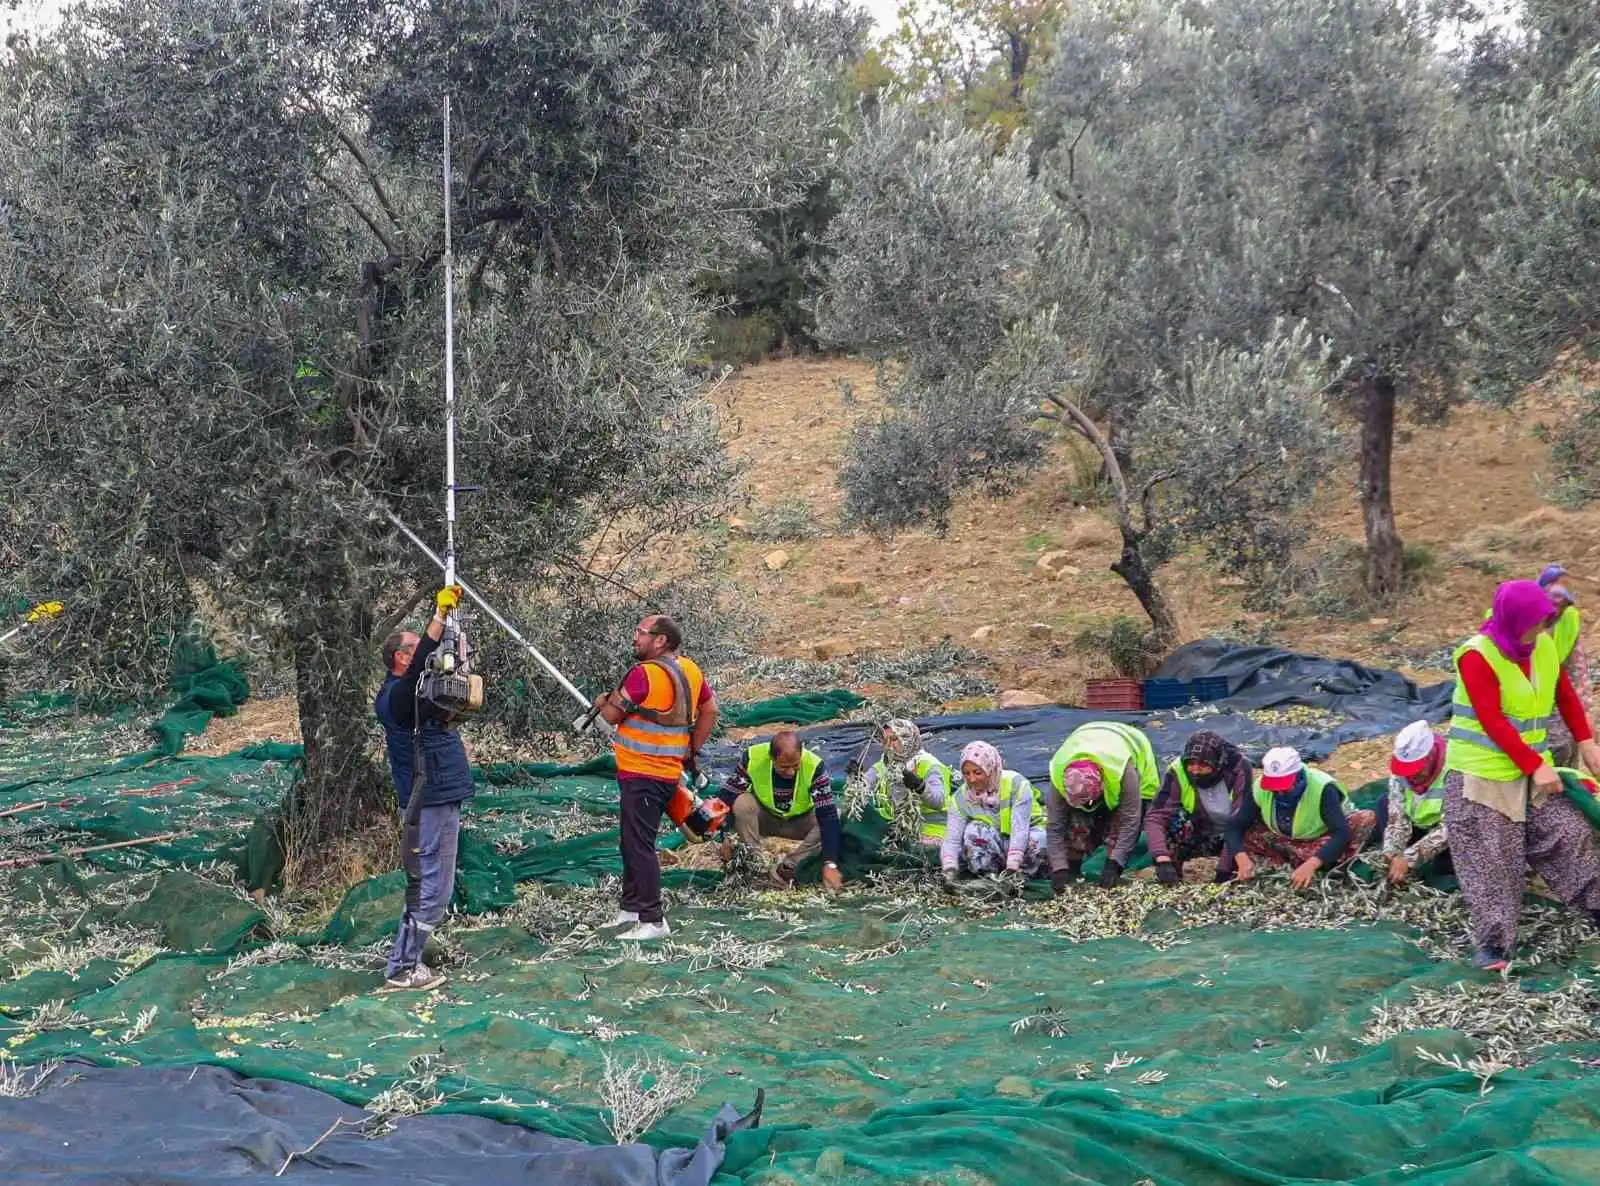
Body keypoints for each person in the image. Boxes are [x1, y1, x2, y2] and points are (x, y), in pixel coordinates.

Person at [1444, 579, 1600, 971]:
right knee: (1495, 860)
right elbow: (1492, 720)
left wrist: (1586, 742)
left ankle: (1596, 905)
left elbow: (1564, 693)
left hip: (1531, 770)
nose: (1540, 632)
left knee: (1569, 832)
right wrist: (1536, 765)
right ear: (1513, 621)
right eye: (1535, 625)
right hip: (1482, 777)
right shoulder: (1477, 655)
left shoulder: (1542, 645)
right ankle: (1494, 946)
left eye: (1544, 624)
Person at [374, 585, 474, 992]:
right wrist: (437, 616)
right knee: (434, 886)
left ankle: (407, 957)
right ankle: (402, 966)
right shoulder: (397, 694)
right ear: (401, 657)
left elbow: (442, 679)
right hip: (429, 796)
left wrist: (455, 635)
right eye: (415, 648)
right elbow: (420, 669)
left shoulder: (411, 697)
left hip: (435, 793)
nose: (422, 653)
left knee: (427, 882)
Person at [594, 614, 718, 940]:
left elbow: (609, 717)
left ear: (660, 640)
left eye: (641, 632)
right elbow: (710, 710)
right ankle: (631, 908)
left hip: (642, 772)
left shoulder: (644, 674)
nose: (636, 637)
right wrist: (692, 751)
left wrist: (602, 702)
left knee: (639, 846)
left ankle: (652, 920)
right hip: (667, 772)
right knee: (632, 841)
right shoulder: (690, 670)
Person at [1230, 747, 1377, 890]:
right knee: (1247, 834)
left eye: (1285, 786)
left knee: (1365, 819)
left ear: (1299, 776)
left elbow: (1341, 833)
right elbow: (1234, 826)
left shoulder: (1322, 788)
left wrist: (1311, 864)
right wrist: (1241, 857)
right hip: (1284, 841)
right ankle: (1290, 864)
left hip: (1318, 841)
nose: (1279, 792)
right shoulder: (1261, 788)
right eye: (1274, 787)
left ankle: (1317, 864)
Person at [717, 730, 843, 890]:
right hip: (765, 818)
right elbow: (727, 796)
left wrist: (830, 863)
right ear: (771, 758)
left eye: (795, 766)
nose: (790, 772)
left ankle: (789, 868)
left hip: (799, 822)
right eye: (784, 767)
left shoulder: (815, 766)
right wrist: (725, 837)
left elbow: (828, 816)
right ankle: (756, 866)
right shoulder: (753, 758)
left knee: (835, 818)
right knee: (742, 803)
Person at [1046, 721, 1159, 892]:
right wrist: (1059, 868)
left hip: (1129, 744)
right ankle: (1074, 867)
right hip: (1085, 735)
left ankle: (1112, 861)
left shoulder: (1123, 772)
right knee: (1076, 826)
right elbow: (1055, 825)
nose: (1085, 806)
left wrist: (1115, 862)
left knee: (1121, 825)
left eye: (1088, 802)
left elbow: (1130, 820)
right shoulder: (1059, 779)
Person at [1142, 731, 1253, 886]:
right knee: (1174, 821)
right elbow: (1156, 816)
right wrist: (1162, 859)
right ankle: (1172, 876)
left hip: (1235, 835)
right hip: (1203, 829)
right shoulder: (1178, 770)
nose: (1195, 770)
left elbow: (1239, 822)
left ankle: (1236, 870)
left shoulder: (1239, 769)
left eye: (1203, 765)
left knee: (1255, 832)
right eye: (1191, 763)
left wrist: (1224, 870)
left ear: (1217, 763)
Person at [940, 740, 1046, 879]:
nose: (971, 779)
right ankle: (988, 875)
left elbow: (1020, 828)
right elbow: (952, 838)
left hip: (1024, 836)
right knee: (973, 830)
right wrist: (949, 867)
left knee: (1039, 838)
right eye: (966, 773)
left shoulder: (1016, 784)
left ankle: (1020, 877)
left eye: (977, 773)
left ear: (990, 768)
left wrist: (1012, 866)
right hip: (995, 842)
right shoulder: (961, 797)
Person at [1381, 720, 1452, 886]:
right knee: (1381, 804)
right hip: (1419, 826)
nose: (1410, 776)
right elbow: (1397, 817)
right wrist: (1393, 850)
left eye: (1415, 770)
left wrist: (1410, 857)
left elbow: (1451, 827)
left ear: (1430, 757)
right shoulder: (1400, 775)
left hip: (1447, 833)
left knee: (1444, 866)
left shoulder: (1453, 771)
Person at [860, 719, 951, 846]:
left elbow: (938, 801)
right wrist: (856, 778)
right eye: (886, 741)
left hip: (932, 831)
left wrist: (920, 786)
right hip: (899, 829)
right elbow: (866, 783)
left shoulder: (929, 764)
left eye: (894, 739)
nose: (889, 745)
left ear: (907, 739)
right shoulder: (886, 764)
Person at [1537, 564, 1589, 766]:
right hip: (1524, 700)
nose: (1556, 610)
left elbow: (1578, 669)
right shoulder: (1520, 618)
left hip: (1556, 691)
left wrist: (1585, 720)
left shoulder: (1569, 619)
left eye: (1564, 604)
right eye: (1552, 602)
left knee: (1570, 745)